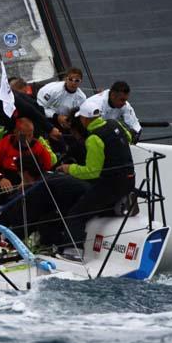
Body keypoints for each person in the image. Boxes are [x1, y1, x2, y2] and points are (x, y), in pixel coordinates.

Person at [56, 99, 135, 258]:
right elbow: (129, 137)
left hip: (110, 186)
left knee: (75, 215)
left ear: (84, 119)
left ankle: (73, 252)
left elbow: (92, 172)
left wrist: (68, 169)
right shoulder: (114, 124)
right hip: (129, 181)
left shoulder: (94, 139)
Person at [0, 117, 53, 229]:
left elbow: (47, 168)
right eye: (25, 135)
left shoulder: (38, 148)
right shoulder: (3, 144)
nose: (28, 139)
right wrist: (0, 179)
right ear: (16, 132)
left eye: (31, 134)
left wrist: (29, 182)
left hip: (26, 186)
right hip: (3, 184)